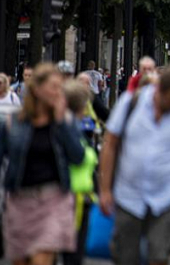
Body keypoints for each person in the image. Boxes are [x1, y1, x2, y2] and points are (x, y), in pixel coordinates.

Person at [99, 66, 170, 265]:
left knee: (159, 256)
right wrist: (105, 189)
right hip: (128, 196)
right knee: (125, 257)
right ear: (159, 90)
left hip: (166, 197)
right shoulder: (131, 103)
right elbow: (110, 144)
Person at [0, 63, 85, 265]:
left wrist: (61, 123)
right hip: (19, 199)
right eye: (54, 87)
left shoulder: (64, 121)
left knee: (41, 259)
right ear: (37, 90)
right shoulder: (14, 122)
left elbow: (78, 157)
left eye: (60, 87)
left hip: (54, 199)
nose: (59, 92)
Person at [62, 79, 99, 265]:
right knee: (72, 254)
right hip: (70, 198)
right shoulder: (70, 128)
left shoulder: (72, 125)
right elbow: (78, 157)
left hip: (80, 197)